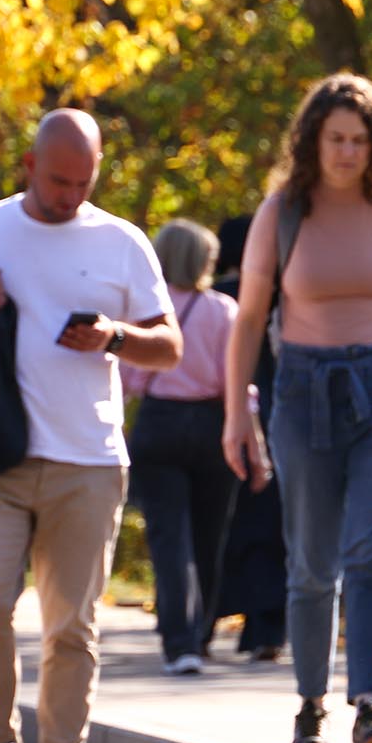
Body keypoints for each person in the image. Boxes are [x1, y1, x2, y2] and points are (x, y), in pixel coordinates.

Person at [0, 110, 182, 743]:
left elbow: (170, 346)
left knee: (70, 626)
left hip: (86, 459)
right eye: (59, 180)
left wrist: (115, 337)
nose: (69, 195)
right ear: (29, 166)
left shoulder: (121, 241)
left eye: (83, 182)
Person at [221, 74, 372, 743]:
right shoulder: (282, 213)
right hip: (303, 390)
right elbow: (248, 318)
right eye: (336, 139)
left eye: (360, 140)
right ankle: (309, 708)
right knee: (312, 563)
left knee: (370, 556)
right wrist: (239, 410)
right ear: (312, 141)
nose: (347, 152)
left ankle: (368, 709)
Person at [122, 218, 239, 676]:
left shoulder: (147, 314)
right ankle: (202, 631)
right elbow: (236, 383)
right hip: (212, 423)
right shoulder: (223, 310)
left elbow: (129, 378)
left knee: (170, 539)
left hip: (160, 423)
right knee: (210, 536)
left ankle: (179, 640)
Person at [210, 215, 287, 661]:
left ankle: (202, 622)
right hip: (278, 415)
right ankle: (266, 629)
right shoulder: (283, 296)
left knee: (223, 526)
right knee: (271, 528)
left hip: (224, 415)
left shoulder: (217, 296)